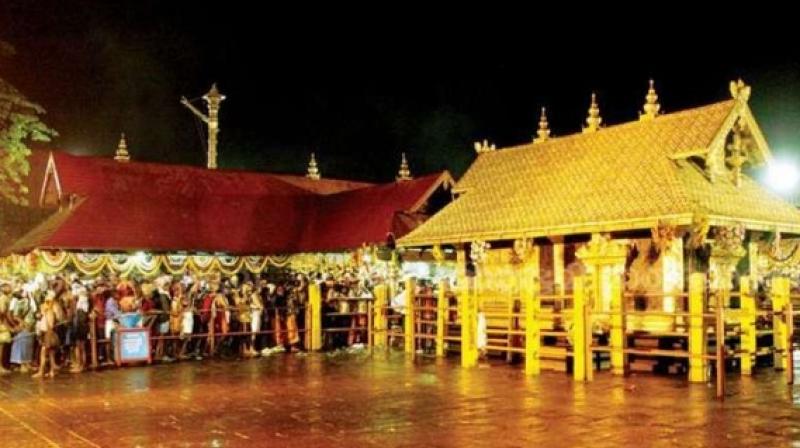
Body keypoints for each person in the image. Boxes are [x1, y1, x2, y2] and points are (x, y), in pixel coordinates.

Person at [10, 282, 37, 373]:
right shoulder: (21, 302)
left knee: (29, 345)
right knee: (23, 345)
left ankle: (27, 363)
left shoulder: (32, 301)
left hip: (31, 326)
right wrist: (24, 323)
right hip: (25, 327)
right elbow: (15, 316)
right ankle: (22, 364)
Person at [33, 291, 59, 379]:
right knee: (51, 353)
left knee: (43, 353)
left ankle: (41, 372)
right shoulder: (53, 308)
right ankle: (52, 371)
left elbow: (50, 324)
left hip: (48, 333)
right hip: (50, 332)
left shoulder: (50, 310)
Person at [0, 280, 15, 374]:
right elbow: (3, 313)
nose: (10, 288)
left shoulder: (6, 298)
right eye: (8, 286)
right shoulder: (3, 298)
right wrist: (9, 325)